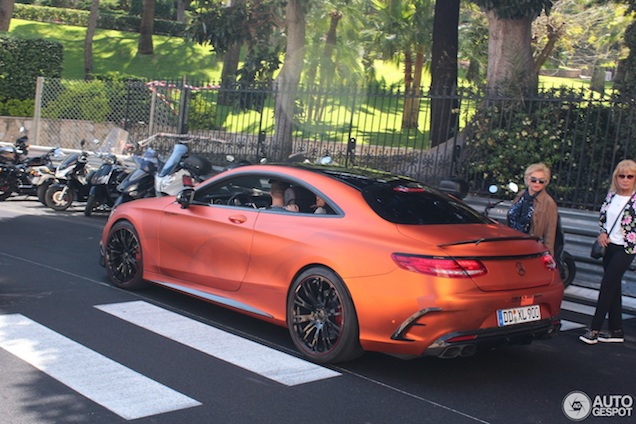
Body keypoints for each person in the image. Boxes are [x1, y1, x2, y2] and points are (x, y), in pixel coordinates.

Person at [580, 159, 636, 344]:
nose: (625, 180)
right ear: (616, 177)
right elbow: (603, 218)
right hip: (609, 246)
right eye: (622, 176)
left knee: (607, 284)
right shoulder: (611, 196)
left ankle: (594, 329)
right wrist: (602, 233)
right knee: (614, 287)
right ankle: (616, 330)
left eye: (630, 176)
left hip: (626, 248)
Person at [507, 162, 559, 256]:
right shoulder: (521, 195)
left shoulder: (548, 203)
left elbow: (550, 233)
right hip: (511, 243)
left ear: (546, 182)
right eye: (533, 180)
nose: (537, 183)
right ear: (527, 179)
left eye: (541, 181)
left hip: (530, 249)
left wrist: (548, 254)